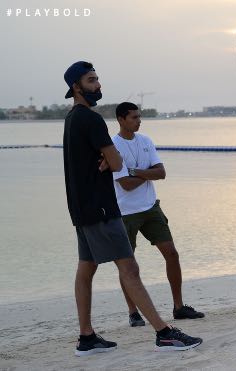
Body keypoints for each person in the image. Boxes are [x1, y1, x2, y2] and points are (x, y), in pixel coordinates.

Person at [62, 61, 202, 356]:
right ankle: (164, 333)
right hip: (102, 208)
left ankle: (86, 337)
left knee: (86, 269)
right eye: (91, 80)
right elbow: (116, 165)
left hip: (80, 208)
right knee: (130, 267)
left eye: (98, 79)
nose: (98, 85)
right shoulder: (91, 119)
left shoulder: (71, 119)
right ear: (76, 86)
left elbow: (109, 163)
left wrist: (108, 160)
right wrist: (109, 160)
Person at [111, 102, 204, 327]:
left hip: (151, 207)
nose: (139, 120)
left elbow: (161, 173)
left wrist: (136, 172)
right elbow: (126, 185)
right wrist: (147, 174)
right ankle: (133, 312)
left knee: (172, 254)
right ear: (121, 119)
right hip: (125, 212)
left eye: (139, 116)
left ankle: (179, 307)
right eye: (134, 117)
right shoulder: (113, 146)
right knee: (128, 266)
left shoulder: (146, 141)